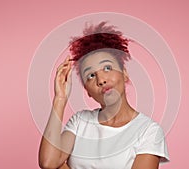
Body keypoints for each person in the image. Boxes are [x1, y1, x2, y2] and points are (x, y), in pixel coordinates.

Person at [39, 22, 169, 169]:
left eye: (107, 68)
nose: (101, 80)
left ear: (124, 73)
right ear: (87, 90)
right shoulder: (80, 122)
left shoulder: (148, 131)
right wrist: (60, 99)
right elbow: (48, 163)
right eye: (90, 76)